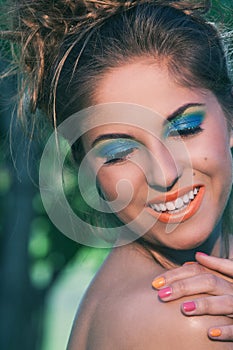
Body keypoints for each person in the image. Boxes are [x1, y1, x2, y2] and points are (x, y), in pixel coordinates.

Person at [1, 0, 233, 348]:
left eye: (184, 128)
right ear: (86, 169)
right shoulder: (189, 320)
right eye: (120, 152)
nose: (165, 173)